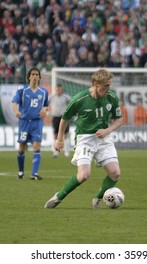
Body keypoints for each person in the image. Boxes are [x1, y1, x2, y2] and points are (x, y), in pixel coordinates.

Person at [44, 69, 123, 209]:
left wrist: (107, 130)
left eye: (109, 85)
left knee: (115, 173)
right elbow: (65, 118)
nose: (108, 89)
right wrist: (59, 140)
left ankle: (97, 199)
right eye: (105, 86)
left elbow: (119, 120)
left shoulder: (111, 97)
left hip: (104, 138)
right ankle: (58, 197)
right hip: (85, 139)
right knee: (84, 175)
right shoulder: (80, 99)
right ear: (95, 84)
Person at [12, 67, 48, 180]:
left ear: (39, 77)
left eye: (37, 74)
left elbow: (46, 104)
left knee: (37, 146)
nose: (35, 76)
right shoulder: (22, 90)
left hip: (37, 123)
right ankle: (21, 172)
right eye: (33, 74)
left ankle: (34, 174)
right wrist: (16, 111)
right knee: (22, 147)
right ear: (29, 77)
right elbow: (14, 102)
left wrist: (44, 109)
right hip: (24, 122)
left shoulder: (43, 92)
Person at [48, 84, 71, 158]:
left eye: (60, 89)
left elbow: (71, 104)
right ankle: (55, 152)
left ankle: (67, 152)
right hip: (55, 117)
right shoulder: (51, 97)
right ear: (55, 90)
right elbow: (45, 104)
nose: (58, 91)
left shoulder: (66, 97)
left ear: (62, 89)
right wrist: (48, 111)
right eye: (57, 89)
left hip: (64, 118)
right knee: (55, 135)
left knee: (66, 135)